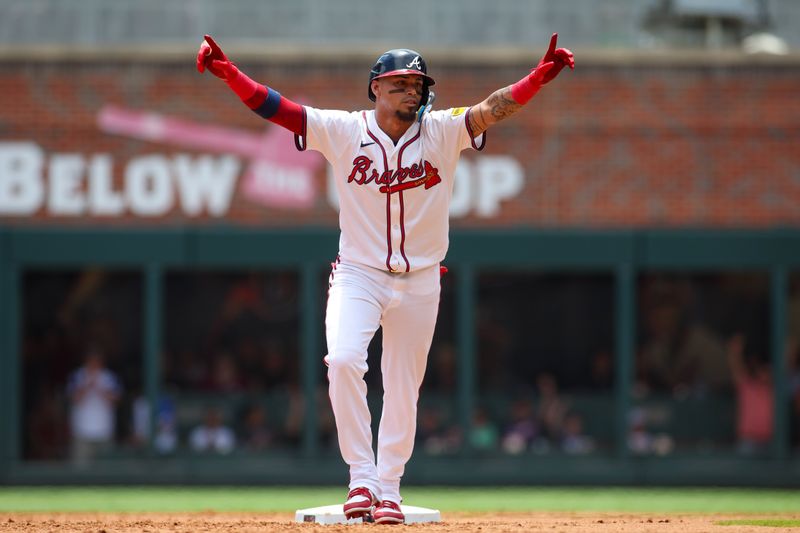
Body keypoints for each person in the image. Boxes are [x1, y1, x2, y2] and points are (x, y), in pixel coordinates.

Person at [197, 33, 573, 524]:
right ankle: (361, 479)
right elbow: (279, 109)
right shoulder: (343, 130)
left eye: (417, 83)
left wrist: (537, 78)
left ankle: (389, 490)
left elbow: (490, 109)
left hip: (421, 279)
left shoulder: (442, 130)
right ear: (375, 87)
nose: (411, 91)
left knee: (403, 386)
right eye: (400, 83)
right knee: (344, 359)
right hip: (359, 273)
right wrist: (230, 74)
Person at [65, 347, 121, 466]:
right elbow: (74, 399)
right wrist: (87, 386)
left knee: (105, 469)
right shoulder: (77, 376)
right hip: (82, 431)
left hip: (104, 431)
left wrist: (99, 388)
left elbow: (115, 401)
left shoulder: (109, 377)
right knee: (81, 469)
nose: (94, 364)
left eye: (97, 361)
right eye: (91, 361)